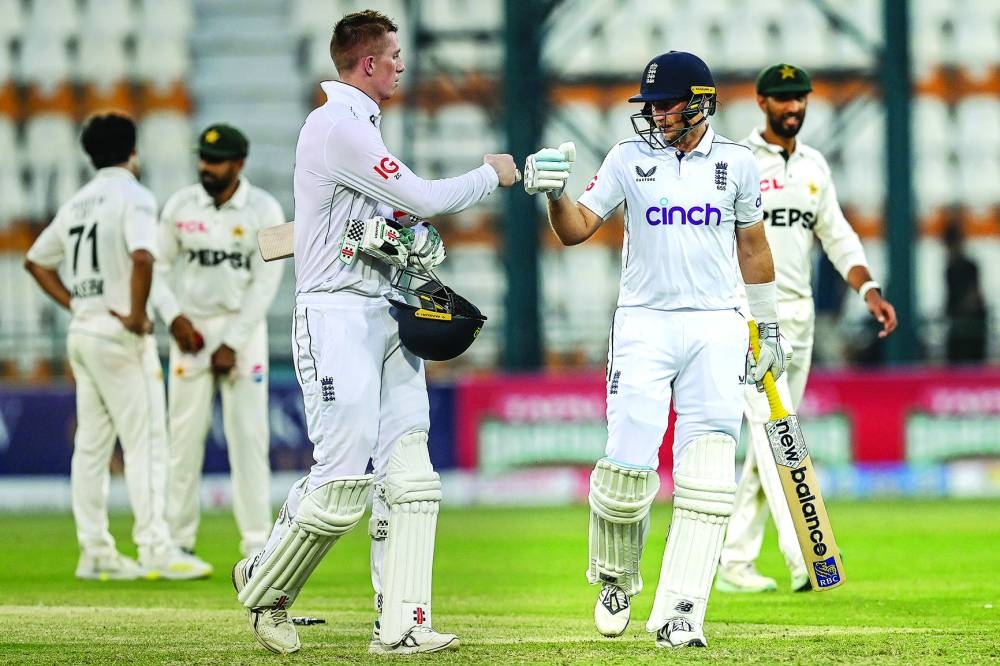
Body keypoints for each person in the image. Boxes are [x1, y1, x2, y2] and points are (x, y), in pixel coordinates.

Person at [230, 10, 520, 655]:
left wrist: (406, 243)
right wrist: (490, 175)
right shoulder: (338, 126)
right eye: (392, 55)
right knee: (340, 478)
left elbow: (385, 220)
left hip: (383, 311)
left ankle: (403, 624)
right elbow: (422, 195)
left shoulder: (361, 126)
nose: (401, 64)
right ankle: (263, 587)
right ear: (366, 63)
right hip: (334, 315)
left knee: (410, 474)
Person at [524, 51, 788, 648]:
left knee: (709, 478)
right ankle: (616, 578)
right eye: (650, 106)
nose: (656, 115)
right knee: (624, 471)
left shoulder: (737, 164)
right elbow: (574, 230)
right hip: (644, 324)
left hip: (718, 325)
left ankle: (681, 614)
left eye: (665, 105)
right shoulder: (626, 158)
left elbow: (753, 246)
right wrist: (555, 195)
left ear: (700, 102)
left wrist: (766, 329)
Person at [715, 63, 898, 594]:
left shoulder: (814, 166)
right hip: (752, 318)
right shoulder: (738, 162)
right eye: (783, 99)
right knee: (780, 436)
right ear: (761, 102)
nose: (794, 108)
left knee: (768, 442)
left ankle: (733, 561)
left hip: (802, 317)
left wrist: (869, 290)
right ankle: (808, 560)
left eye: (801, 100)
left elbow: (838, 237)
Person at [23, 112, 212, 581]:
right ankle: (156, 548)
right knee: (147, 441)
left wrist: (77, 304)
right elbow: (144, 256)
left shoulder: (77, 203)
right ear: (133, 151)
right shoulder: (135, 196)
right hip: (120, 337)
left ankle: (96, 552)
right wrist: (133, 312)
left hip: (84, 334)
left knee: (90, 448)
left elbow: (35, 262)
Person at [151, 124, 285, 559]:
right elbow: (153, 267)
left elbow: (267, 284)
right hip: (191, 329)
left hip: (243, 332)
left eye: (217, 160)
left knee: (250, 438)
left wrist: (234, 340)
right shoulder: (179, 205)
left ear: (239, 163)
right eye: (204, 159)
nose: (207, 167)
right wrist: (173, 318)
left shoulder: (266, 210)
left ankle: (257, 544)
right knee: (183, 437)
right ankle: (177, 541)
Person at [942, 218, 987, 363]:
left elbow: (974, 296)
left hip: (968, 327)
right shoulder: (950, 269)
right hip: (959, 327)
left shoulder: (967, 267)